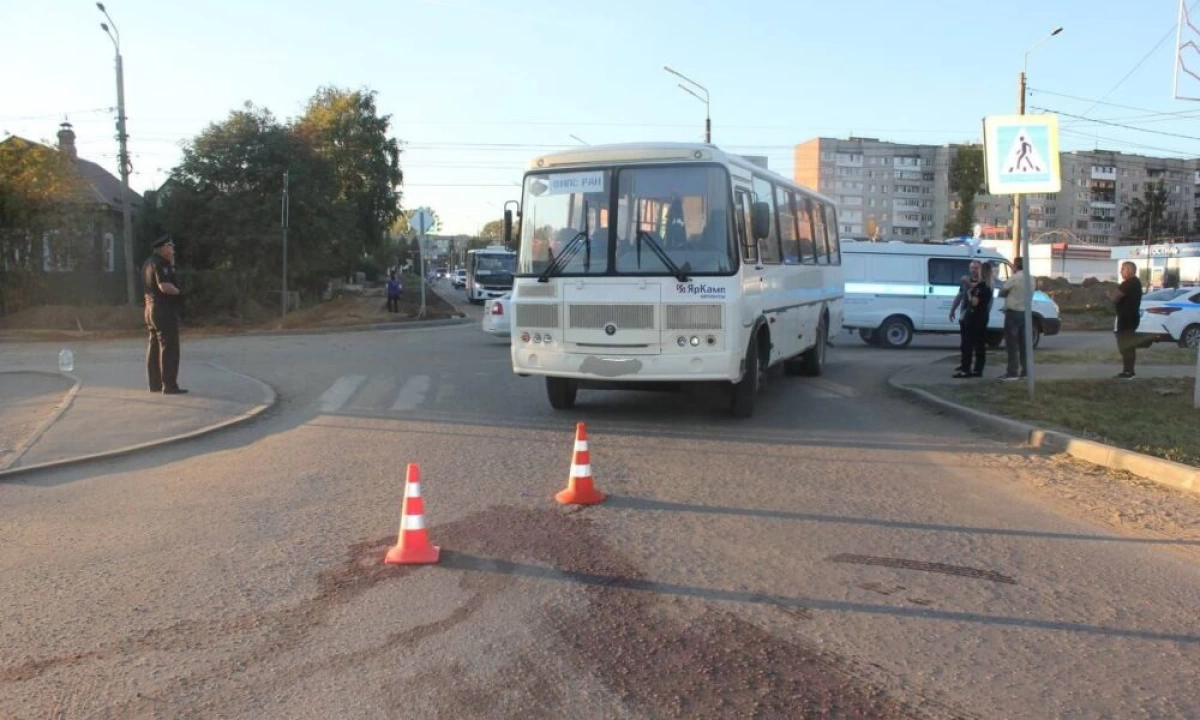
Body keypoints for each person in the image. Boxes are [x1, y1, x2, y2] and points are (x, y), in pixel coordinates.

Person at [142, 236, 186, 394]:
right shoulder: (161, 264)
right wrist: (180, 292)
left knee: (154, 345)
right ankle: (169, 385)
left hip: (149, 308)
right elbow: (164, 286)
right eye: (170, 246)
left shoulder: (148, 262)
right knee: (170, 347)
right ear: (163, 248)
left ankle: (154, 384)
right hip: (163, 309)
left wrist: (172, 263)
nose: (173, 249)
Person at [955, 262, 993, 378]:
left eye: (977, 269)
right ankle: (977, 369)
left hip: (974, 318)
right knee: (979, 344)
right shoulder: (988, 285)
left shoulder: (982, 286)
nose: (975, 271)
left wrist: (969, 292)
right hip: (981, 317)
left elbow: (974, 302)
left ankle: (966, 370)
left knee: (968, 344)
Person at [997, 256, 1031, 381]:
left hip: (1013, 313)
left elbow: (1002, 291)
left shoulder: (1015, 278)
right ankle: (1026, 371)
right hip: (1026, 313)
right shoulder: (1031, 278)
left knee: (1012, 344)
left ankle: (1012, 372)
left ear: (1016, 266)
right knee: (1024, 345)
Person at [949, 260, 983, 375]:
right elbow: (960, 295)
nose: (973, 270)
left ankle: (975, 369)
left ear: (980, 269)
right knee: (964, 343)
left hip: (976, 316)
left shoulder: (982, 282)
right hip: (965, 314)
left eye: (976, 268)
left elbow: (975, 291)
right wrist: (952, 309)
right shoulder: (966, 281)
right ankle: (964, 364)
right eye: (972, 268)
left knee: (975, 344)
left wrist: (967, 282)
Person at [1113, 261, 1143, 379]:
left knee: (1126, 346)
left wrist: (1108, 294)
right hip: (1131, 318)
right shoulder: (1136, 283)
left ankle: (1129, 372)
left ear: (1130, 270)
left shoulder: (1129, 283)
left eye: (1123, 269)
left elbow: (1114, 298)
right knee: (1126, 345)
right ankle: (1128, 371)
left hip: (1127, 319)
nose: (1121, 271)